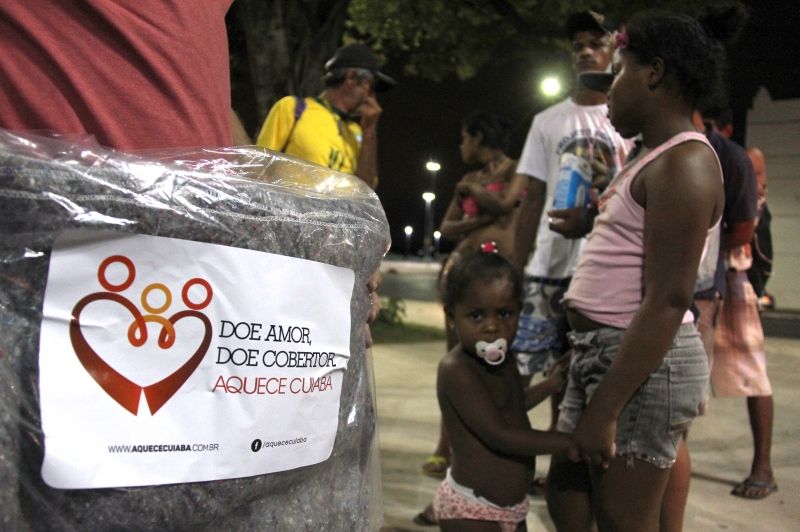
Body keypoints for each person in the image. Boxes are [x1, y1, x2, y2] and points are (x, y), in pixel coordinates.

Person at [545, 8, 741, 531]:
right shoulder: (648, 156)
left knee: (622, 518)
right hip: (602, 351)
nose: (608, 91)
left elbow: (669, 299)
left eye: (617, 74)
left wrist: (606, 408)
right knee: (567, 496)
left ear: (653, 73)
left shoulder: (685, 163)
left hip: (644, 366)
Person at [511, 10, 632, 496]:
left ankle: (578, 469)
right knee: (531, 370)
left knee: (588, 376)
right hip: (547, 268)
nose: (585, 51)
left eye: (595, 42)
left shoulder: (627, 118)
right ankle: (529, 463)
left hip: (603, 272)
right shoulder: (547, 121)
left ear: (615, 49)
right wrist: (514, 268)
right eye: (577, 44)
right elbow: (532, 200)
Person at [419, 111, 534, 481]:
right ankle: (445, 446)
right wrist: (480, 220)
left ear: (479, 138)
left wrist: (479, 198)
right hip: (463, 276)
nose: (461, 146)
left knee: (502, 366)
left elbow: (507, 206)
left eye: (465, 139)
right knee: (457, 362)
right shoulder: (466, 181)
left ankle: (497, 444)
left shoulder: (518, 169)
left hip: (502, 281)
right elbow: (447, 226)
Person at [433, 252, 570, 531]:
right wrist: (572, 443)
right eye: (476, 315)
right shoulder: (457, 369)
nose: (492, 326)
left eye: (504, 313)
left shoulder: (504, 359)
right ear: (451, 317)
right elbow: (500, 435)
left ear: (520, 311)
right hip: (473, 511)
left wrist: (549, 385)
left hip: (513, 510)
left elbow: (512, 406)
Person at [255, 43, 395, 189]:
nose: (371, 96)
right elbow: (260, 166)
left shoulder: (356, 133)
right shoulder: (294, 108)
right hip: (292, 203)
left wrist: (369, 132)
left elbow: (366, 189)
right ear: (351, 77)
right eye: (370, 86)